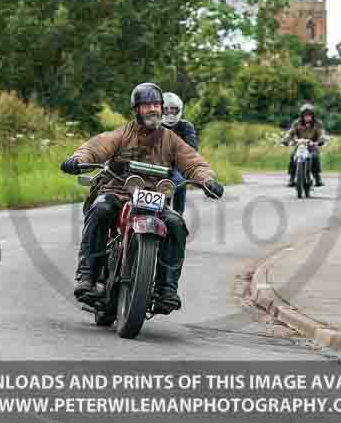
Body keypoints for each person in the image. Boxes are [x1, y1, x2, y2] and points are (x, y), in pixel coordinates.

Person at [60, 82, 224, 314]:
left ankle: (167, 289)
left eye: (156, 105)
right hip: (118, 191)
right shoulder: (122, 134)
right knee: (100, 209)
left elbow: (194, 162)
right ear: (136, 109)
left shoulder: (171, 140)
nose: (153, 110)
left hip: (154, 197)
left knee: (176, 223)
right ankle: (87, 275)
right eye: (147, 106)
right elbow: (95, 148)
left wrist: (207, 180)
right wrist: (77, 159)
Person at [161, 92, 198, 215]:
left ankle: (178, 216)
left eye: (173, 109)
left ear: (179, 110)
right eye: (166, 109)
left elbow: (192, 149)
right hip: (155, 165)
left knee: (180, 182)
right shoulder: (154, 125)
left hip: (177, 167)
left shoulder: (185, 126)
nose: (170, 112)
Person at [283, 103, 326, 187]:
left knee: (315, 157)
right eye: (305, 115)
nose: (307, 117)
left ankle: (317, 178)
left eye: (309, 115)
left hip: (312, 146)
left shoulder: (318, 123)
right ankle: (292, 178)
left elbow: (322, 134)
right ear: (302, 116)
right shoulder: (297, 123)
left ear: (313, 115)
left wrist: (320, 141)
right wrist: (286, 140)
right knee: (293, 156)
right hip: (300, 145)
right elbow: (290, 133)